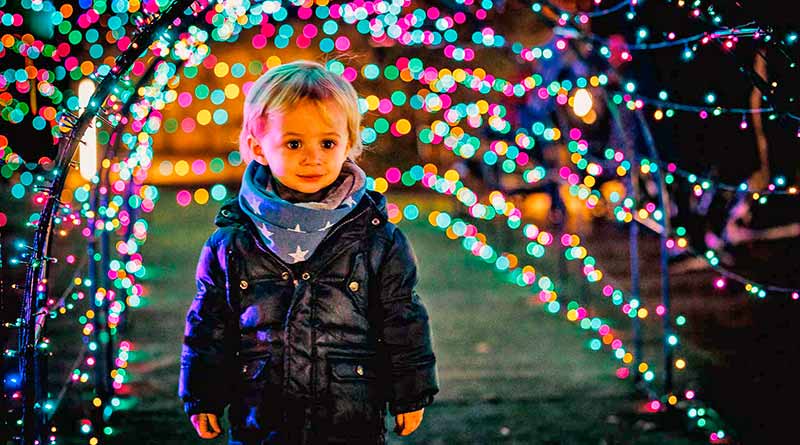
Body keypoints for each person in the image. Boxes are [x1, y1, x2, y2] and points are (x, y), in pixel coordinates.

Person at [178, 60, 439, 445]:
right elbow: (209, 323)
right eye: (294, 143)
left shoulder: (375, 239)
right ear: (257, 148)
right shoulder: (233, 241)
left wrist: (411, 391)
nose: (313, 156)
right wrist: (202, 394)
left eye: (328, 143)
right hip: (261, 418)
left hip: (349, 418)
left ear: (349, 144)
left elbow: (402, 317)